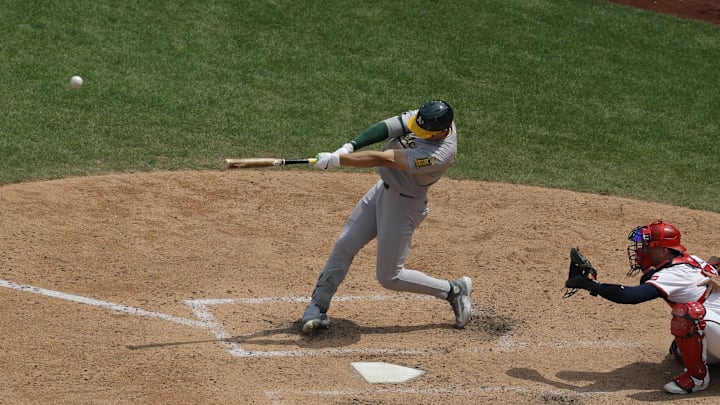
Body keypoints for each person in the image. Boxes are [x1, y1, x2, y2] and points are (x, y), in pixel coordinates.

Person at [300, 100, 473, 334]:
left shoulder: (438, 155)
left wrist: (338, 161)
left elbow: (385, 158)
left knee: (390, 277)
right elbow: (387, 127)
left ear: (442, 131)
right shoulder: (428, 118)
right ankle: (317, 307)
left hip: (404, 205)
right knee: (344, 245)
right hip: (381, 191)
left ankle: (453, 290)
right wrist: (348, 147)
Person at [565, 220, 720, 394]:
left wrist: (592, 285)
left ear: (664, 251)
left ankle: (696, 380)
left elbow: (631, 296)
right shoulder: (692, 261)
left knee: (688, 316)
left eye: (647, 247)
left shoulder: (674, 273)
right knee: (682, 349)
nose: (641, 251)